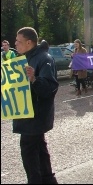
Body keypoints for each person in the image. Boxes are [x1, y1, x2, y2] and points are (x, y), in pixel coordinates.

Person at [13, 27, 59, 184]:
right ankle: (48, 180)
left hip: (35, 117)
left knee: (29, 154)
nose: (15, 44)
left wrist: (34, 79)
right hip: (28, 116)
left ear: (29, 42)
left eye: (18, 41)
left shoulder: (44, 58)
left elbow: (50, 88)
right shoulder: (26, 58)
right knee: (40, 150)